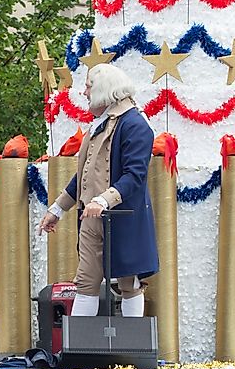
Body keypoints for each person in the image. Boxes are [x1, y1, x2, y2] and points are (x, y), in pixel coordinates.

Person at [38, 63, 158, 317]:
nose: (84, 93)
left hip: (123, 217)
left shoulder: (135, 124)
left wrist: (103, 201)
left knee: (129, 283)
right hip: (92, 217)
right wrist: (57, 209)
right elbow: (84, 177)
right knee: (85, 282)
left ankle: (130, 350)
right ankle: (80, 353)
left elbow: (135, 174)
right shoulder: (100, 125)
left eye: (88, 87)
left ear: (103, 90)